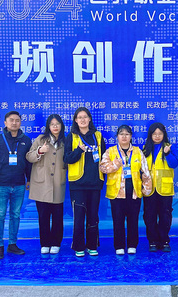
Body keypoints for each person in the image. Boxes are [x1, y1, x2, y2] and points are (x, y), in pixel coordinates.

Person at [0, 111, 32, 259]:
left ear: (20, 123)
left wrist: (29, 179)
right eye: (11, 120)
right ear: (5, 122)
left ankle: (12, 244)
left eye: (17, 120)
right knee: (0, 216)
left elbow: (29, 163)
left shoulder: (26, 141)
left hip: (19, 184)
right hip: (1, 185)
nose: (14, 123)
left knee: (15, 215)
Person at [99, 125, 152, 255]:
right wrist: (116, 163)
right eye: (121, 134)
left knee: (133, 220)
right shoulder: (111, 151)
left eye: (127, 134)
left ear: (131, 136)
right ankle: (119, 246)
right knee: (118, 220)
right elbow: (103, 168)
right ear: (117, 136)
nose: (124, 137)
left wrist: (146, 189)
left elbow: (145, 171)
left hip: (134, 192)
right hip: (116, 192)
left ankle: (132, 245)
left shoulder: (138, 152)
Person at [63, 107, 106, 257]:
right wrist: (78, 151)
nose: (82, 120)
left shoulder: (98, 136)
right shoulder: (71, 136)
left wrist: (102, 177)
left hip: (95, 183)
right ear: (75, 120)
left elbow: (104, 158)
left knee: (93, 216)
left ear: (89, 119)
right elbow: (66, 159)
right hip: (77, 184)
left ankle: (92, 245)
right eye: (79, 117)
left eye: (85, 117)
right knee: (79, 217)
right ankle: (79, 246)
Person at [26, 114, 66, 255]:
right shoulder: (41, 139)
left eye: (57, 124)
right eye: (52, 124)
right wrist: (39, 151)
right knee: (43, 216)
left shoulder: (65, 141)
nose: (55, 126)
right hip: (41, 184)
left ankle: (56, 243)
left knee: (57, 216)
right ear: (48, 126)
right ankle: (45, 243)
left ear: (61, 126)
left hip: (57, 183)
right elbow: (29, 157)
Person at [142, 122, 178, 252]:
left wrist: (167, 154)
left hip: (165, 188)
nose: (157, 136)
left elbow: (174, 164)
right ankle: (152, 241)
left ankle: (164, 241)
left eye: (160, 133)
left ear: (164, 134)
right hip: (149, 188)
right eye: (154, 134)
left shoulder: (169, 147)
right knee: (149, 215)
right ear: (150, 135)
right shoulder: (145, 149)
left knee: (165, 216)